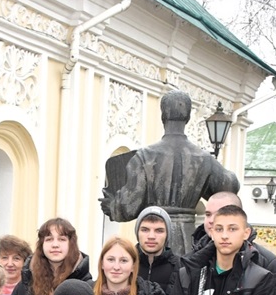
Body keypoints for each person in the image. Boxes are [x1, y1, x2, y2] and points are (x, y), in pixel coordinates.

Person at [100, 90, 241, 252]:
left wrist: (112, 205)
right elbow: (230, 187)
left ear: (163, 116)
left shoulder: (144, 157)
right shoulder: (203, 158)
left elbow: (128, 207)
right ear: (188, 118)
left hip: (154, 238)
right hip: (189, 240)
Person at [13, 217, 91, 295]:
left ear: (71, 243)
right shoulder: (27, 283)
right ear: (42, 244)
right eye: (49, 239)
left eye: (62, 239)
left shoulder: (84, 284)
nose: (55, 245)